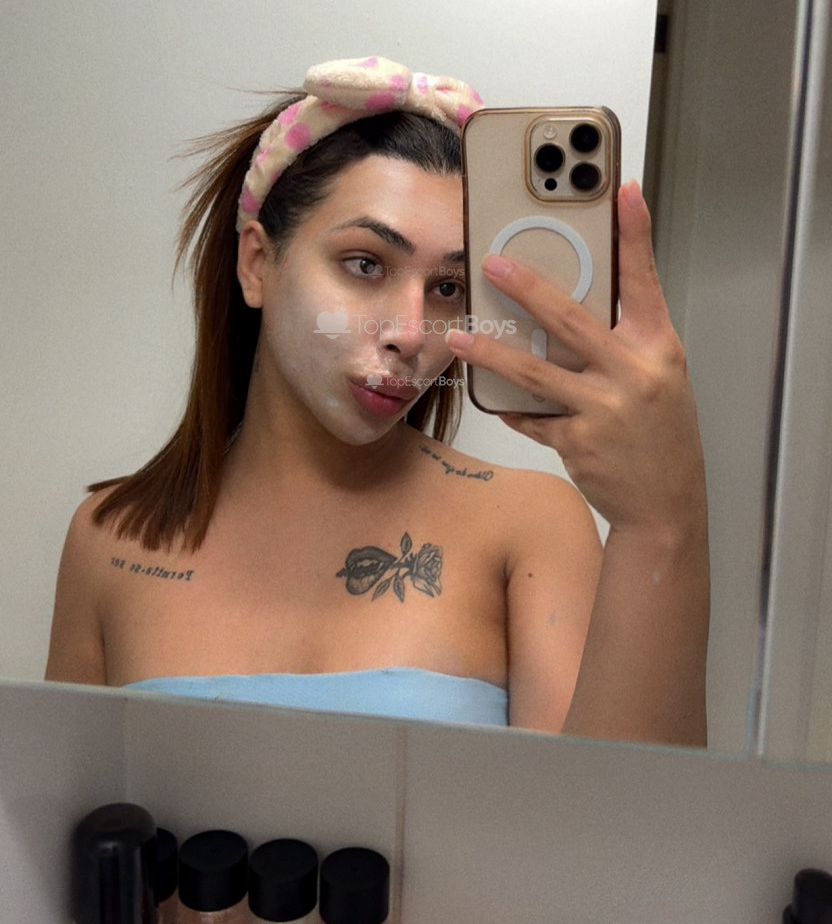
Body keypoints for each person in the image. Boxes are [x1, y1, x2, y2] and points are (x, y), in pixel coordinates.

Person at [45, 56, 709, 744]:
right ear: (256, 263)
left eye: (448, 289)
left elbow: (616, 807)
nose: (411, 333)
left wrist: (663, 519)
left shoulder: (532, 527)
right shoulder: (111, 542)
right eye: (365, 264)